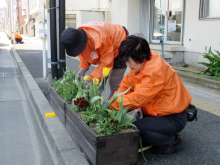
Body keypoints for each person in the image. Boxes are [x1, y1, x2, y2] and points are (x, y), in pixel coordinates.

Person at [109, 35, 192, 155]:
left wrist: (112, 105)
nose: (127, 64)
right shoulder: (144, 59)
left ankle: (171, 142)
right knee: (133, 127)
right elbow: (126, 85)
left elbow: (137, 99)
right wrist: (114, 99)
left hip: (173, 117)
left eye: (129, 61)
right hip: (159, 112)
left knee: (137, 130)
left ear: (140, 57)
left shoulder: (154, 71)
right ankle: (160, 134)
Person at [60, 21, 129, 100]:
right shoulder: (76, 37)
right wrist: (82, 68)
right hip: (107, 45)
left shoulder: (100, 39)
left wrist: (92, 78)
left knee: (114, 83)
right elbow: (84, 53)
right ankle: (97, 105)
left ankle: (113, 107)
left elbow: (106, 63)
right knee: (99, 82)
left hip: (120, 43)